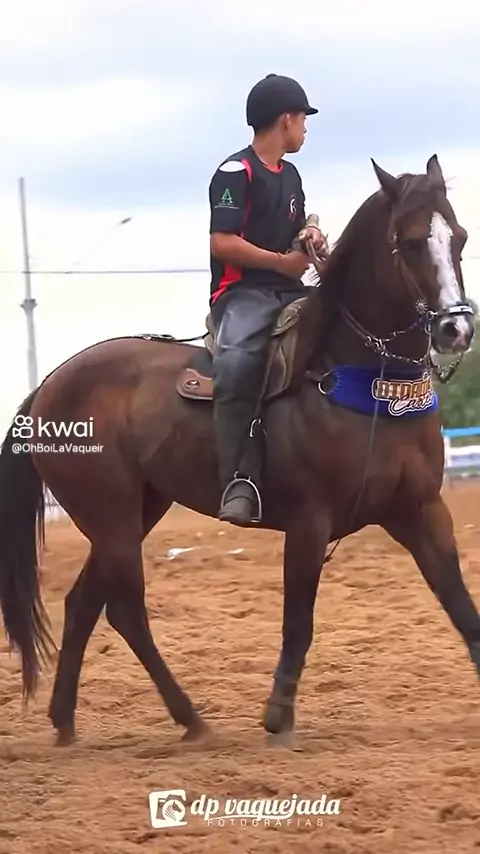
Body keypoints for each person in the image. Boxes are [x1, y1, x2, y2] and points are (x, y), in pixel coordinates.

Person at [208, 73, 328, 527]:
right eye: (303, 119)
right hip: (242, 293)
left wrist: (309, 234)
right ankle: (239, 478)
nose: (305, 129)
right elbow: (222, 241)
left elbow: (292, 232)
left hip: (287, 289)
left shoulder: (291, 175)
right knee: (238, 364)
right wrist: (282, 263)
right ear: (286, 120)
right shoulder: (234, 173)